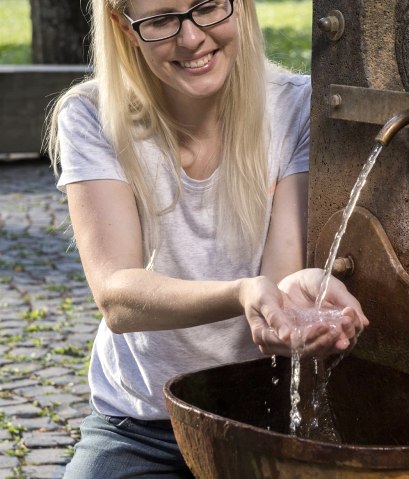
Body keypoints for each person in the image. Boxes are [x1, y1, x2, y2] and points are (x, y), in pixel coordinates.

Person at [47, 0, 369, 476]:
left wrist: (293, 304)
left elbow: (278, 281)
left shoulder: (294, 105)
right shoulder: (91, 115)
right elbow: (116, 296)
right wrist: (241, 293)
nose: (192, 37)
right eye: (161, 20)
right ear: (124, 28)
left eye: (208, 7)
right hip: (141, 424)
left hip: (260, 416)